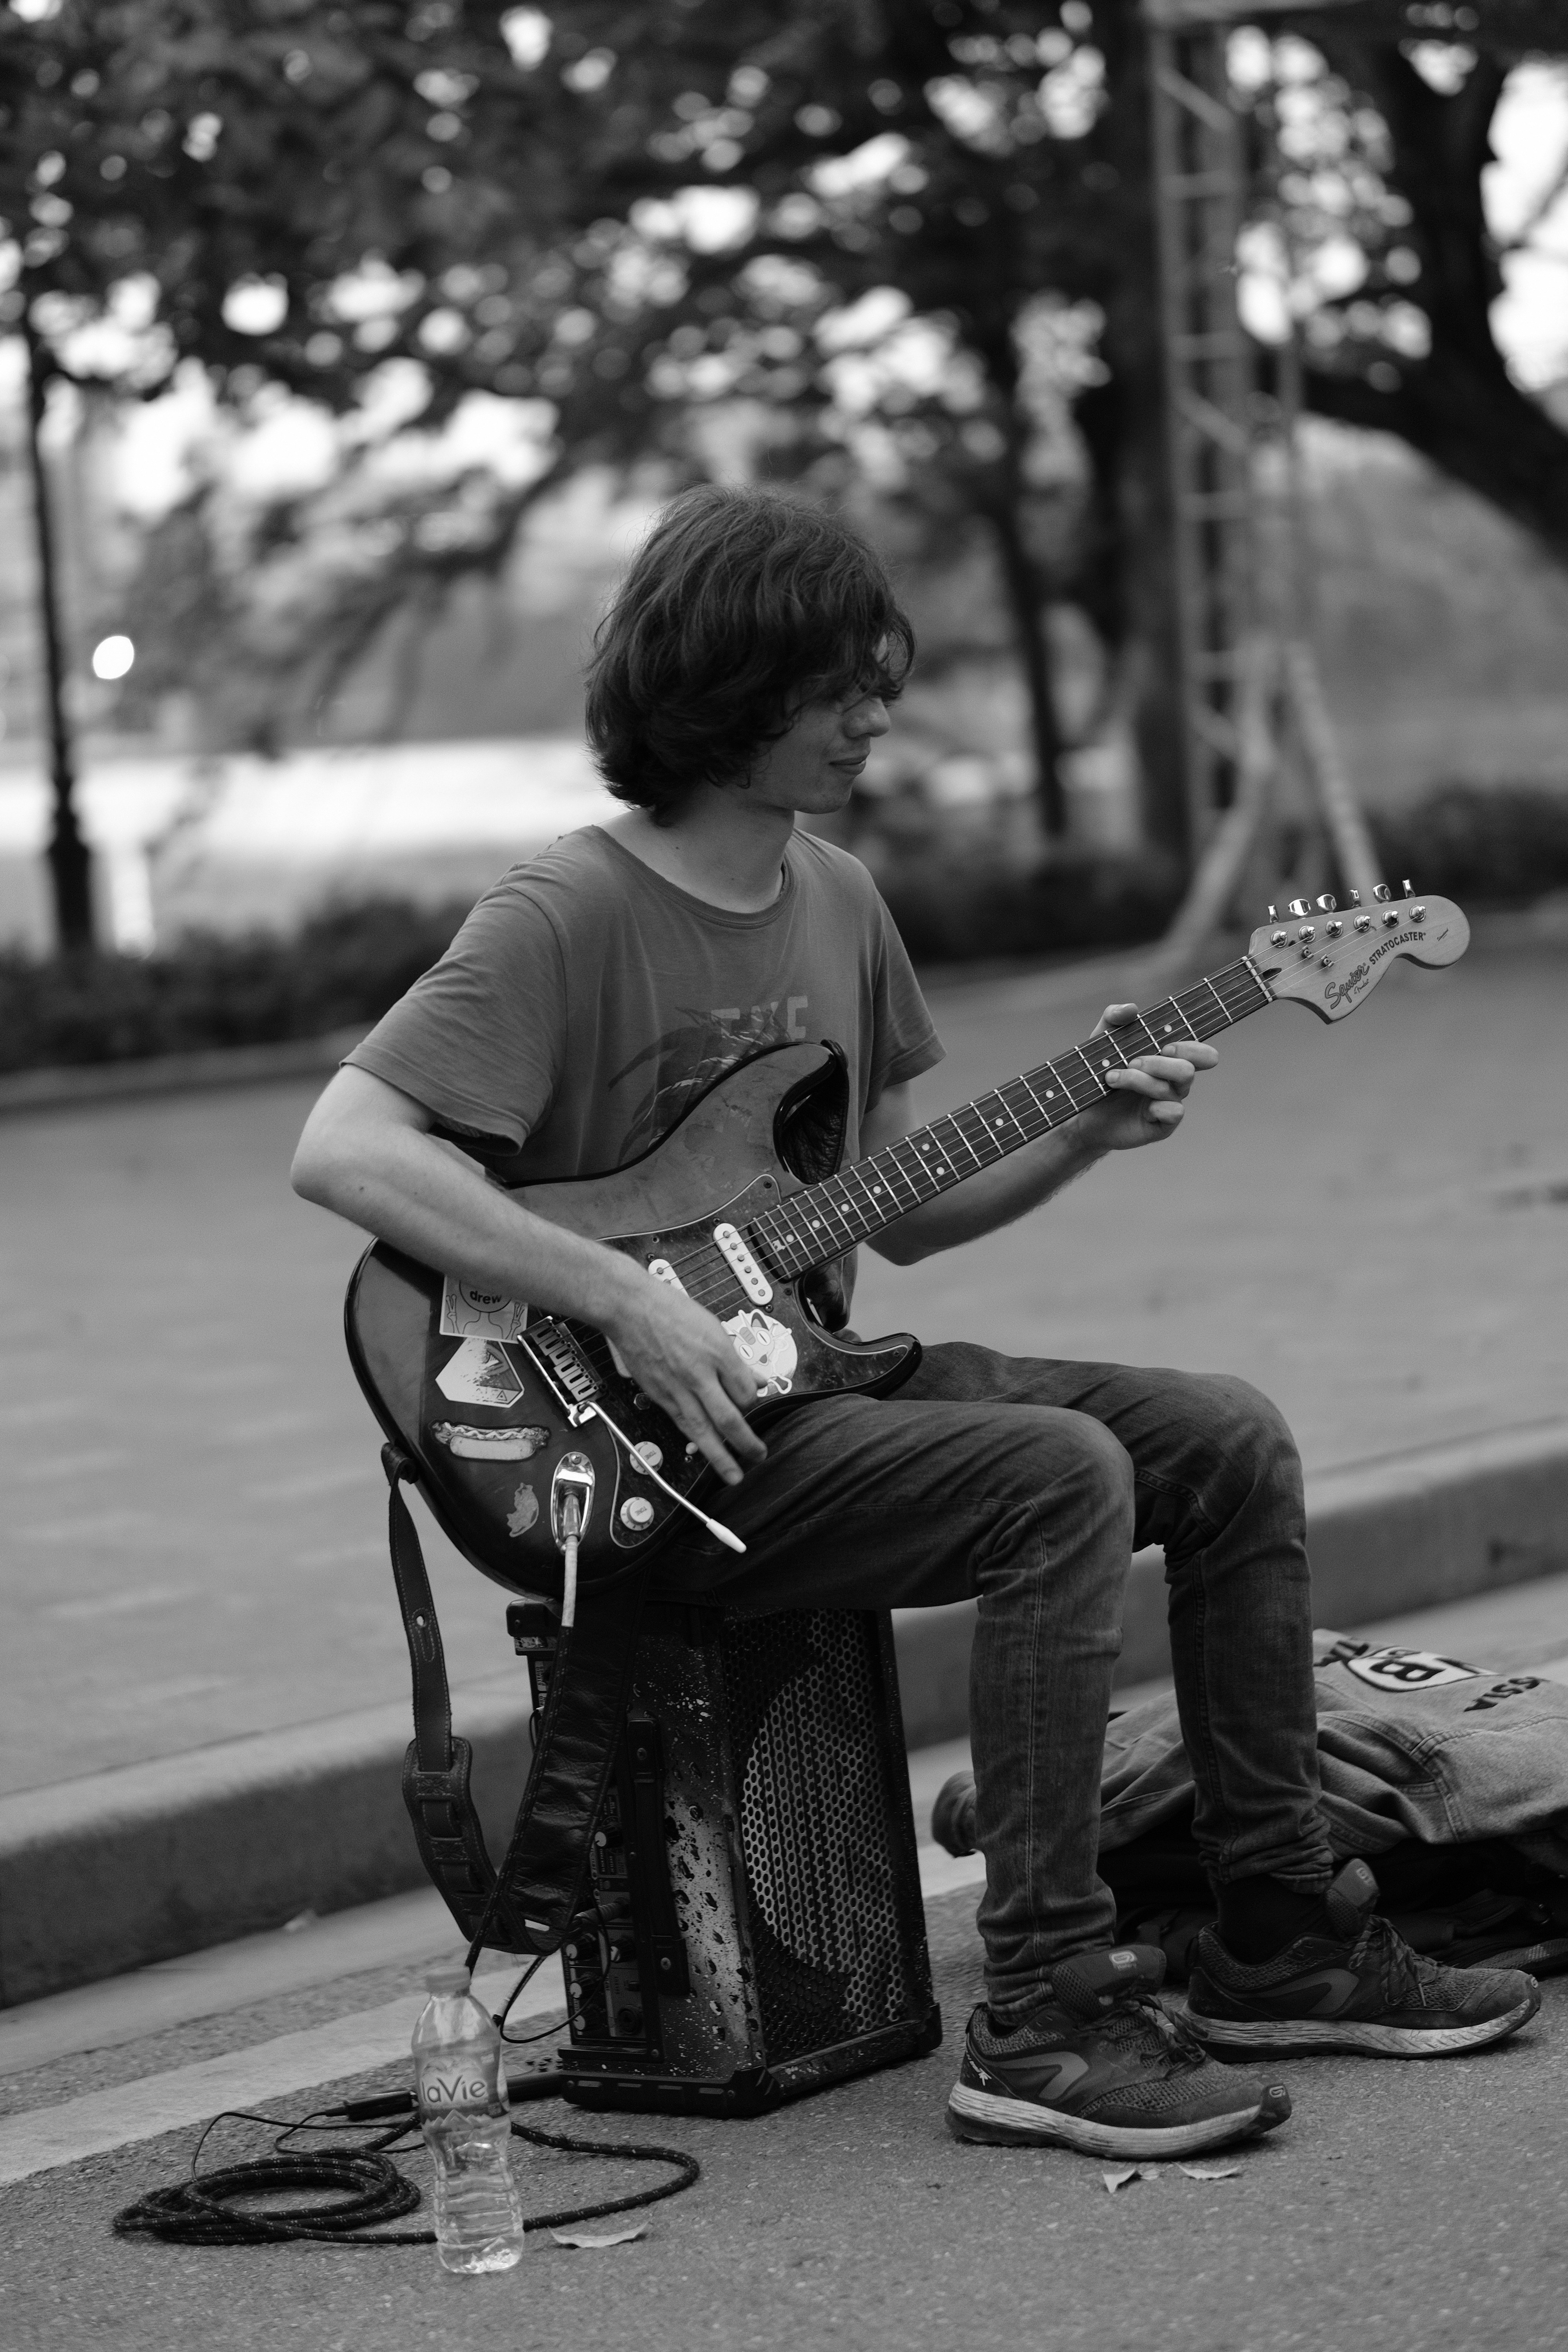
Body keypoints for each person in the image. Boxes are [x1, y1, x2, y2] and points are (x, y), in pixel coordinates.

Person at [292, 486, 1538, 2161]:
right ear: (727, 686)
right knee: (1058, 1478)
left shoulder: (840, 900)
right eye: (839, 687)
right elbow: (345, 1147)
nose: (875, 713)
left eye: (879, 679)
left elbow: (899, 1202)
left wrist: (1084, 1126)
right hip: (636, 1457)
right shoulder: (566, 913)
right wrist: (623, 1306)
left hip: (815, 1388)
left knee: (1222, 1437)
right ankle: (1040, 2016)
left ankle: (1273, 1933)